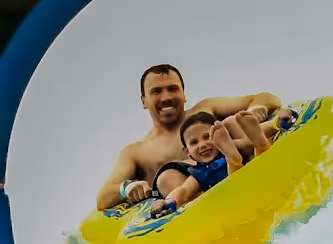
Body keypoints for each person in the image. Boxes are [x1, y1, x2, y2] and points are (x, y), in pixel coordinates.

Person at [94, 64, 286, 210]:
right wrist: (127, 187)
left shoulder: (205, 109)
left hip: (249, 174)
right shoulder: (136, 152)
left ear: (184, 94)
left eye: (173, 89)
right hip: (201, 207)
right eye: (156, 92)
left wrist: (255, 110)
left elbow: (267, 98)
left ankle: (263, 143)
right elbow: (103, 198)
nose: (166, 97)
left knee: (231, 123)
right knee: (167, 177)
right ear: (144, 101)